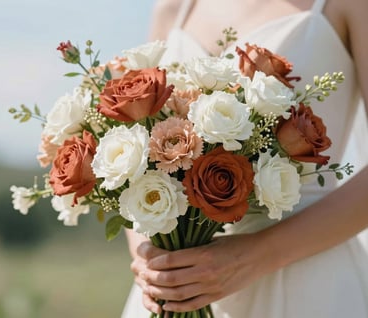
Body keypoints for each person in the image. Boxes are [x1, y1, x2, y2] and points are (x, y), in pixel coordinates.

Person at [122, 0, 368, 317]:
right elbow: (136, 141)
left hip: (306, 282)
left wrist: (254, 257)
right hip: (176, 284)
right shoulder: (173, 8)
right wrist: (148, 257)